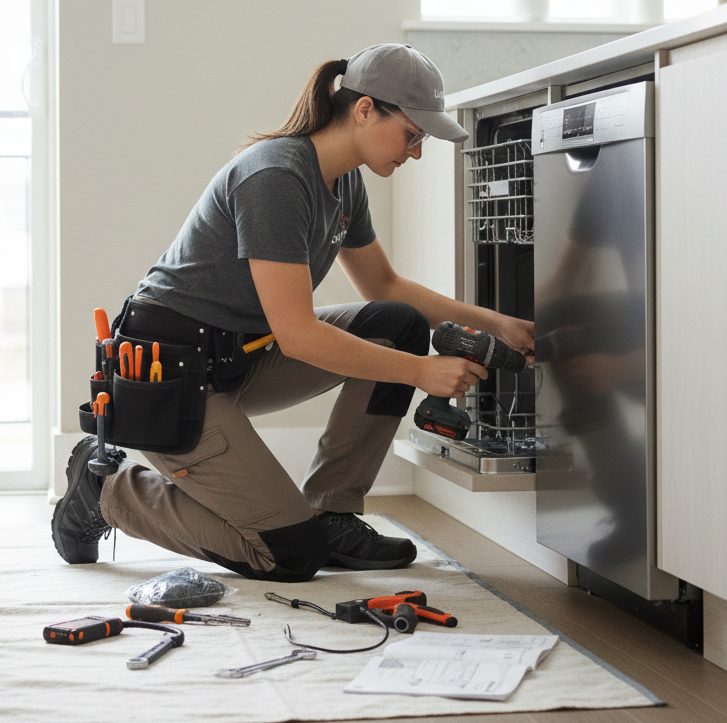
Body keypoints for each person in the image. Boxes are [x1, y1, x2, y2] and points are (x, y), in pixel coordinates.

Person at [52, 44, 534, 582]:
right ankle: (107, 491)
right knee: (288, 555)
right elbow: (299, 335)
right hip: (175, 383)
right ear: (365, 109)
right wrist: (422, 372)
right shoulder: (277, 178)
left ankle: (334, 513)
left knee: (396, 325)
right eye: (413, 134)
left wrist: (498, 323)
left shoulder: (344, 180)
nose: (415, 151)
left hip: (244, 356)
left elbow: (385, 285)